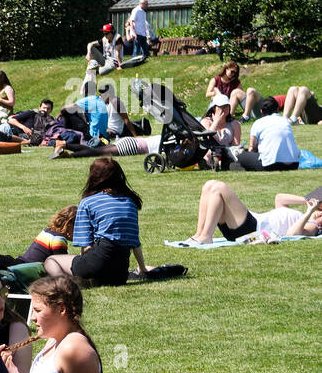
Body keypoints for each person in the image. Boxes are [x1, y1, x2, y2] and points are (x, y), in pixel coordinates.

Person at [44, 157, 147, 286]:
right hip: (120, 273)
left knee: (51, 261)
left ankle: (67, 285)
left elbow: (86, 245)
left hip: (97, 261)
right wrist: (142, 270)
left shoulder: (88, 203)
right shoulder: (130, 203)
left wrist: (83, 269)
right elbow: (135, 243)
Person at [173, 183, 321, 246]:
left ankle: (206, 236)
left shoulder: (313, 226)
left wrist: (309, 212)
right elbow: (279, 198)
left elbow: (292, 234)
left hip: (252, 229)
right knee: (209, 186)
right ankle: (199, 234)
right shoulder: (298, 213)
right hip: (247, 223)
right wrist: (308, 200)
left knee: (219, 187)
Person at [237, 98, 300, 171]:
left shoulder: (258, 123)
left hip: (272, 164)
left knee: (241, 156)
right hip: (294, 164)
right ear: (277, 109)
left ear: (261, 111)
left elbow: (252, 148)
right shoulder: (286, 121)